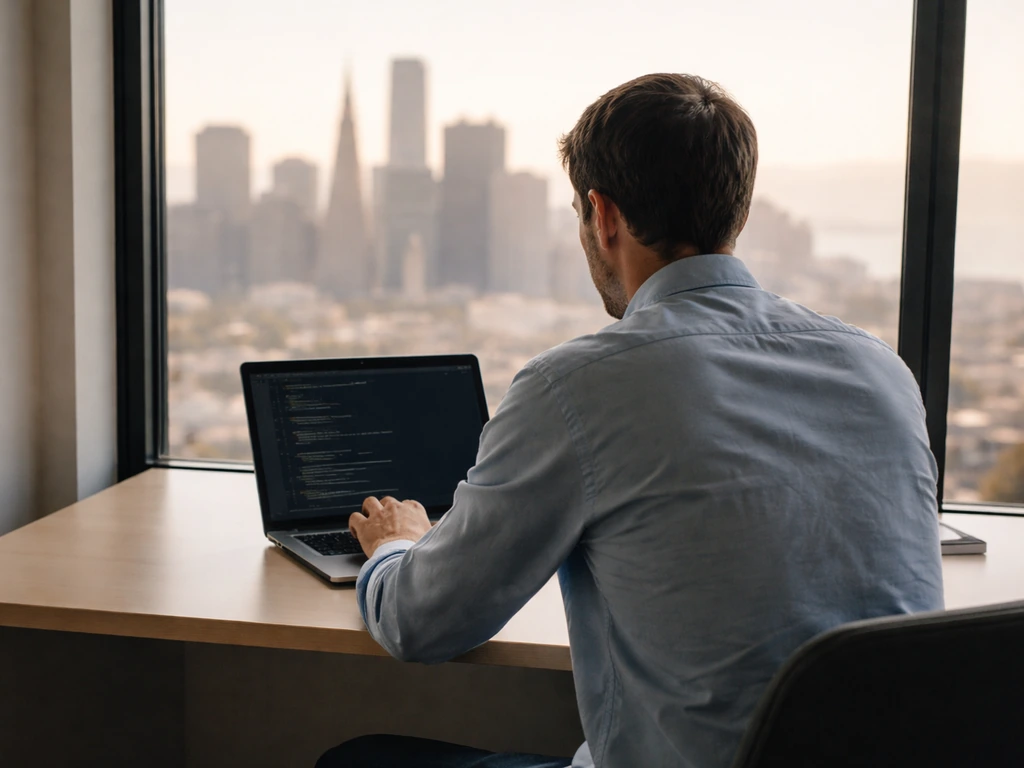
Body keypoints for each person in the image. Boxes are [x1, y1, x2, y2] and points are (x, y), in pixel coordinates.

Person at [316, 73, 944, 768]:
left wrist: (396, 547)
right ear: (735, 208)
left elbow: (421, 623)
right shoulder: (879, 369)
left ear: (603, 215)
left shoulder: (580, 386)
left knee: (360, 759)